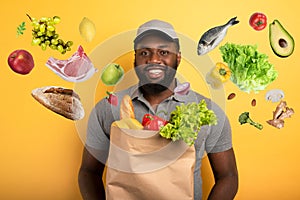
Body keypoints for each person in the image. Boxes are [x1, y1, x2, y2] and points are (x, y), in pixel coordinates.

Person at [78, 19, 238, 200]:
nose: (154, 59)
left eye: (163, 52)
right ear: (135, 58)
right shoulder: (108, 108)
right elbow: (89, 172)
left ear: (178, 57)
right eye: (145, 52)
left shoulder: (207, 110)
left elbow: (228, 176)